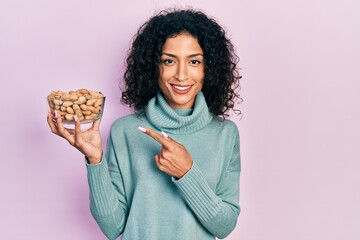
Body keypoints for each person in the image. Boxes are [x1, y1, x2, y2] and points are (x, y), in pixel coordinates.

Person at [47, 8, 242, 240]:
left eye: (194, 61)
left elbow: (224, 226)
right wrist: (94, 159)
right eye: (169, 61)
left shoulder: (225, 134)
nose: (181, 75)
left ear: (208, 69)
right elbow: (113, 227)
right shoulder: (124, 131)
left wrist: (187, 173)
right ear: (153, 67)